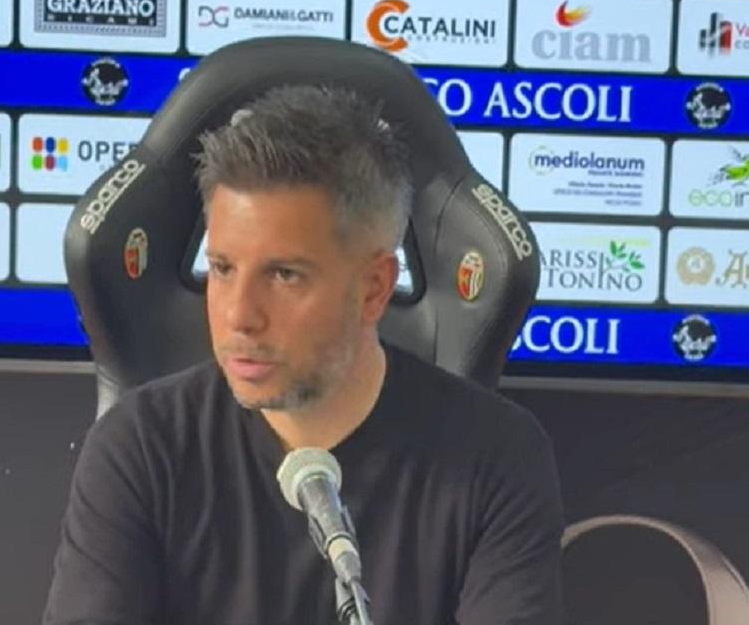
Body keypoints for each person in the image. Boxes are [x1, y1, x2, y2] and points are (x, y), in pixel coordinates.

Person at [42, 84, 565, 625]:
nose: (239, 315)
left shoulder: (494, 456)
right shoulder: (141, 446)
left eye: (284, 275)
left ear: (374, 288)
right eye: (222, 268)